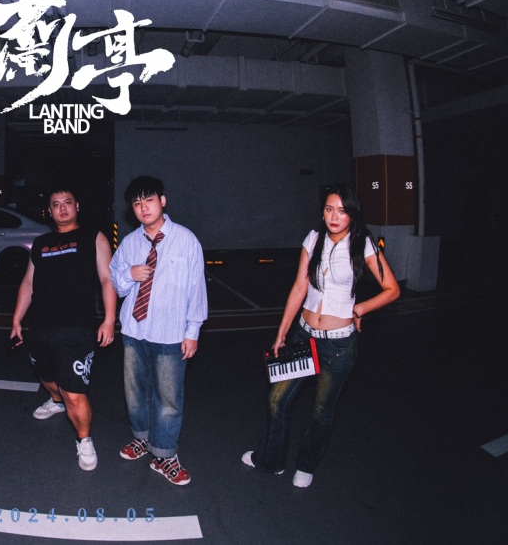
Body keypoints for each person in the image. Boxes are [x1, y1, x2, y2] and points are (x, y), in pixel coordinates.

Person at [242, 184, 400, 488]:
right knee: (277, 398)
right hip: (304, 336)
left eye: (342, 210)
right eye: (329, 209)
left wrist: (360, 308)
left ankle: (306, 464)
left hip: (339, 345)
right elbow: (300, 287)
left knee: (321, 409)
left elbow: (392, 289)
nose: (334, 216)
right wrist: (282, 333)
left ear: (352, 214)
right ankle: (271, 460)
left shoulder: (363, 244)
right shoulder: (313, 239)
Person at [10, 185, 117, 471]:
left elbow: (107, 279)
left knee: (74, 393)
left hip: (77, 329)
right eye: (56, 204)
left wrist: (109, 319)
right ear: (50, 211)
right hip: (40, 327)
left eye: (67, 202)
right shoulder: (41, 243)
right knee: (47, 377)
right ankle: (56, 401)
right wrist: (17, 319)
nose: (62, 208)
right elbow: (28, 283)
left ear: (77, 206)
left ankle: (84, 439)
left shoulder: (93, 237)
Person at [109, 176, 207, 485]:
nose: (143, 208)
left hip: (170, 333)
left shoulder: (186, 240)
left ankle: (164, 455)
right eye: (137, 203)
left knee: (168, 398)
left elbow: (196, 288)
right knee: (135, 392)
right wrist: (130, 273)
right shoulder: (129, 243)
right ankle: (142, 438)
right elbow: (116, 284)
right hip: (134, 331)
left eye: (148, 200)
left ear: (162, 201)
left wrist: (193, 331)